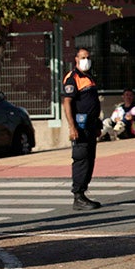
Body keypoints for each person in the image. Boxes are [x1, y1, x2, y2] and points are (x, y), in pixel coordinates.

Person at [61, 48, 102, 210]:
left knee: (89, 159)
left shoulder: (88, 78)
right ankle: (78, 196)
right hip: (80, 126)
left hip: (91, 125)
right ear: (76, 59)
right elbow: (67, 103)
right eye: (83, 57)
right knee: (81, 158)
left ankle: (83, 193)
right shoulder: (73, 78)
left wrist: (97, 125)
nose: (86, 60)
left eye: (88, 57)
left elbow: (93, 103)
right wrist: (72, 127)